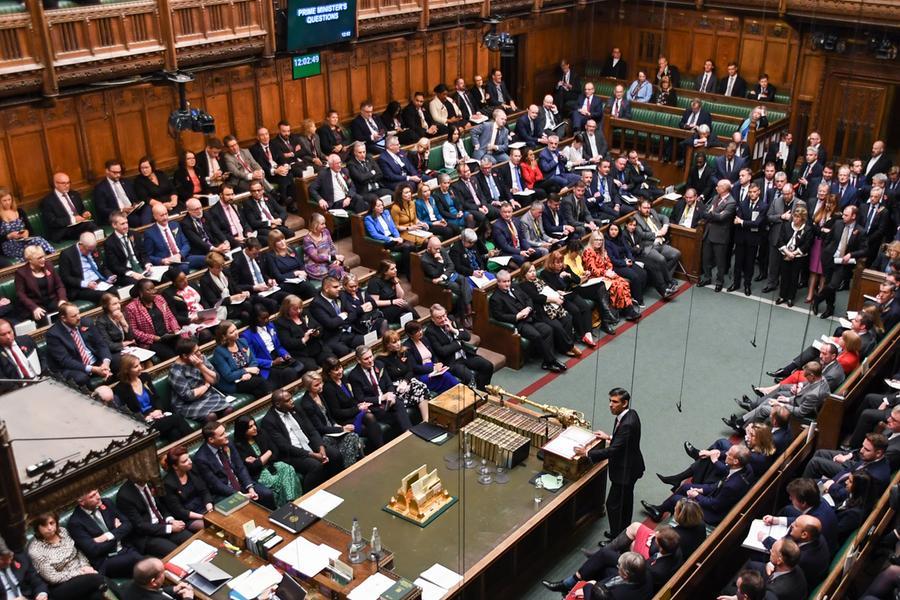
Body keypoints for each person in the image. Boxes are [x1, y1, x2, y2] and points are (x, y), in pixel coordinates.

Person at [573, 388, 645, 539]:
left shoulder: (627, 424)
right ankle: (624, 532)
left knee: (613, 505)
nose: (610, 405)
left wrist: (586, 453)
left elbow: (613, 451)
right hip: (632, 466)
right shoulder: (631, 414)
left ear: (624, 403)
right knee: (625, 502)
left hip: (625, 470)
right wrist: (610, 437)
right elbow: (625, 441)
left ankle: (616, 537)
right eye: (610, 401)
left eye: (615, 402)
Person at [642, 444, 753, 526]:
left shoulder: (732, 485)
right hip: (716, 495)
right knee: (686, 487)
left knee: (676, 499)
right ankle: (660, 510)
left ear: (735, 461)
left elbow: (715, 505)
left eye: (729, 454)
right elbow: (717, 486)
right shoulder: (744, 468)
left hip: (712, 514)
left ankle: (665, 510)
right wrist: (700, 490)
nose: (726, 454)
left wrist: (697, 495)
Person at [260, 389, 342, 490]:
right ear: (278, 404)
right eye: (287, 400)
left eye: (291, 398)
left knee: (335, 454)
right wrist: (312, 455)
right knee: (315, 465)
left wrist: (321, 448)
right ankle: (310, 495)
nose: (292, 401)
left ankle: (337, 486)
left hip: (309, 445)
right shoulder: (269, 421)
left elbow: (312, 430)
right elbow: (284, 447)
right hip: (292, 455)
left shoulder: (296, 409)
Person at [489, 269, 567, 373]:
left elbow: (528, 299)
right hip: (519, 324)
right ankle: (551, 361)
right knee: (536, 335)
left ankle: (547, 362)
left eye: (508, 281)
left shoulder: (515, 287)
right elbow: (499, 316)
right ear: (498, 282)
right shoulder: (495, 298)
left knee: (548, 329)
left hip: (531, 317)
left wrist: (528, 308)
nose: (507, 284)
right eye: (504, 282)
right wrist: (517, 316)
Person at [192, 420, 275, 508]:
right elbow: (216, 485)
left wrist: (250, 488)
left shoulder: (228, 443)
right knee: (243, 507)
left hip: (240, 484)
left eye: (225, 432)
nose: (226, 435)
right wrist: (239, 495)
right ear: (211, 439)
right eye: (222, 434)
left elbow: (240, 467)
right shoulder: (201, 459)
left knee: (267, 494)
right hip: (224, 493)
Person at [724, 361, 830, 430]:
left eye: (807, 376)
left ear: (812, 376)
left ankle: (742, 426)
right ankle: (741, 422)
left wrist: (781, 404)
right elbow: (806, 387)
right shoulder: (821, 378)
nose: (805, 378)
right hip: (798, 403)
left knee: (764, 409)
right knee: (769, 400)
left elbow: (800, 412)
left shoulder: (814, 394)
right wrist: (788, 399)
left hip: (801, 415)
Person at [27, 513, 108, 600]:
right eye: (44, 525)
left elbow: (78, 552)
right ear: (37, 528)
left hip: (84, 576)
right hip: (61, 586)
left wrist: (85, 566)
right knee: (98, 579)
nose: (50, 528)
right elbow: (53, 578)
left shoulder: (63, 532)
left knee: (96, 596)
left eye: (52, 523)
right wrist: (80, 572)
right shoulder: (35, 550)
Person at [65, 490, 142, 578]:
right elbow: (93, 550)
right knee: (140, 561)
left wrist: (106, 536)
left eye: (97, 492)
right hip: (106, 560)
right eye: (92, 496)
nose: (98, 497)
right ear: (81, 502)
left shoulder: (107, 503)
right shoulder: (75, 522)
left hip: (125, 548)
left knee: (140, 565)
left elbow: (127, 525)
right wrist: (117, 533)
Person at [117, 353, 192, 442]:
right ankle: (195, 440)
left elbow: (156, 397)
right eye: (136, 366)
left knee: (174, 433)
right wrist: (146, 417)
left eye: (140, 364)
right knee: (177, 418)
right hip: (144, 423)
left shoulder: (145, 377)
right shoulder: (121, 389)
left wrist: (159, 410)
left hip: (158, 416)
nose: (141, 367)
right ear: (126, 370)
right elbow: (126, 413)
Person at [114, 476, 191, 559]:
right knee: (176, 552)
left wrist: (170, 520)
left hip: (164, 524)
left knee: (191, 539)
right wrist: (169, 528)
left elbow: (160, 507)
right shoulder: (124, 496)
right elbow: (140, 526)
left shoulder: (150, 483)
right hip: (147, 536)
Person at [299, 371, 364, 468]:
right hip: (324, 436)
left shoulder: (320, 394)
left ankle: (351, 466)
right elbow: (320, 428)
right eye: (316, 385)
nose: (321, 386)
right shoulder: (307, 404)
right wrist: (342, 429)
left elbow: (330, 416)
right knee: (352, 437)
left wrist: (336, 424)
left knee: (353, 436)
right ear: (308, 388)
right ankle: (350, 468)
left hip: (333, 430)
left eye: (321, 383)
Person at [232, 416, 302, 507]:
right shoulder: (238, 446)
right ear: (242, 430)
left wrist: (260, 459)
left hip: (272, 465)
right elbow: (253, 467)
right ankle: (286, 506)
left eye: (254, 424)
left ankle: (292, 501)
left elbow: (275, 452)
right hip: (259, 474)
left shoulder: (261, 433)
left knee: (287, 468)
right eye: (250, 427)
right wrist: (267, 453)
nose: (255, 428)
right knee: (276, 481)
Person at [813, 205, 868, 319]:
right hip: (830, 259)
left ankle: (818, 298)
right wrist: (825, 251)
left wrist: (851, 254)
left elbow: (865, 249)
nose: (843, 216)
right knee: (828, 284)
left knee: (833, 285)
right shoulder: (838, 224)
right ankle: (829, 308)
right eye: (843, 214)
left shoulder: (861, 231)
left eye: (846, 215)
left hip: (843, 263)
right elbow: (828, 239)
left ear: (854, 216)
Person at [347, 345, 414, 437]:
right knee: (396, 418)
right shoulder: (354, 376)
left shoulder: (379, 364)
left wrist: (390, 394)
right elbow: (360, 398)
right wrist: (381, 398)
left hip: (388, 401)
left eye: (371, 357)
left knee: (399, 403)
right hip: (374, 407)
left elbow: (389, 384)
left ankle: (409, 433)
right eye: (366, 359)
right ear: (359, 360)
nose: (370, 360)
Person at [517, 261, 581, 357]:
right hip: (539, 311)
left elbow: (550, 288)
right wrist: (554, 299)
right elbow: (536, 297)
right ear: (524, 273)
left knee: (567, 318)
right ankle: (569, 346)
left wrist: (557, 293)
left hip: (551, 306)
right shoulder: (524, 285)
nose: (533, 273)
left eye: (534, 271)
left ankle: (564, 347)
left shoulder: (539, 280)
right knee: (557, 325)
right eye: (530, 272)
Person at [321, 355, 384, 451]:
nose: (340, 371)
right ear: (329, 372)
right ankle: (379, 450)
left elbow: (351, 398)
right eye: (336, 370)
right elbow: (337, 413)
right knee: (370, 424)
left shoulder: (343, 378)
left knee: (370, 416)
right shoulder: (328, 388)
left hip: (354, 412)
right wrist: (357, 409)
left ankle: (381, 449)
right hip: (345, 419)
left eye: (341, 367)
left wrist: (359, 405)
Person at [425, 303, 493, 389]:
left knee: (487, 366)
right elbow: (442, 351)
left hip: (465, 355)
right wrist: (458, 343)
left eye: (444, 315)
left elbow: (467, 337)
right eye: (439, 318)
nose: (443, 319)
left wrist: (453, 330)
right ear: (433, 319)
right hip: (452, 362)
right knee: (469, 377)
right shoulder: (430, 332)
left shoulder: (451, 319)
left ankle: (482, 391)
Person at [45, 303, 111, 388]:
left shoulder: (86, 322)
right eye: (74, 316)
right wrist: (93, 369)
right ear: (63, 318)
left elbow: (101, 344)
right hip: (75, 367)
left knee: (120, 361)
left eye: (78, 313)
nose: (79, 317)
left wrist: (106, 364)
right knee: (81, 378)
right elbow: (65, 360)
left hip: (95, 361)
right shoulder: (53, 334)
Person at [168, 336, 232, 421]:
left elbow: (215, 380)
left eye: (198, 349)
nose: (199, 353)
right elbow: (188, 396)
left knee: (229, 409)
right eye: (196, 352)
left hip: (207, 396)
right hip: (187, 404)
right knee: (211, 416)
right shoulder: (175, 371)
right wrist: (205, 386)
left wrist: (201, 366)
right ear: (184, 356)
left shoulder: (200, 358)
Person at [582, 231, 642, 320]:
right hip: (595, 278)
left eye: (601, 240)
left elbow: (609, 263)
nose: (599, 242)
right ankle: (628, 311)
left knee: (624, 283)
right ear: (592, 240)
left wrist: (609, 270)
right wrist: (605, 273)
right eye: (596, 240)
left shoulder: (602, 251)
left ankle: (629, 309)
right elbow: (592, 269)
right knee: (617, 285)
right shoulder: (588, 251)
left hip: (607, 274)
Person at [240, 305, 303, 387]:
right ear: (255, 318)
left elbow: (278, 346)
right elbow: (252, 359)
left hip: (279, 357)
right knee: (289, 373)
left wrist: (285, 354)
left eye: (267, 317)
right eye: (263, 318)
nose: (266, 320)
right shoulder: (247, 335)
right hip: (266, 364)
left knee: (301, 366)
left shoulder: (270, 326)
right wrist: (272, 363)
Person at [211, 320, 272, 399]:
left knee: (260, 391)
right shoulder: (219, 352)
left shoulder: (242, 342)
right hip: (235, 383)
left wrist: (249, 374)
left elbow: (253, 361)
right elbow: (229, 376)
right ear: (224, 336)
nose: (236, 332)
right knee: (261, 382)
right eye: (232, 332)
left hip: (249, 377)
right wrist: (246, 370)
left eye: (236, 329)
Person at [309, 276, 364, 357]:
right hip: (332, 337)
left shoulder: (341, 294)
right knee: (344, 351)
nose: (339, 289)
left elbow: (353, 313)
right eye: (335, 287)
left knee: (366, 341)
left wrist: (339, 320)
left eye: (339, 286)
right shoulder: (317, 304)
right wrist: (343, 315)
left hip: (347, 332)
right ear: (326, 289)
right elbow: (330, 324)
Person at [161, 445, 212, 532]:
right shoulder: (168, 483)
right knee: (210, 526)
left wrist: (209, 505)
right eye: (185, 461)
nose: (190, 462)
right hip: (189, 517)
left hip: (205, 508)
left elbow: (204, 490)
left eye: (189, 458)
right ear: (175, 466)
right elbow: (179, 511)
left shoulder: (192, 469)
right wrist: (202, 516)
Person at [699, 180, 738, 291]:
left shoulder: (731, 202)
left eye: (718, 186)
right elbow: (705, 212)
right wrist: (713, 214)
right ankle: (707, 277)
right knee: (706, 258)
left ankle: (719, 281)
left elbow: (721, 218)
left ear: (724, 188)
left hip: (720, 236)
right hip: (708, 233)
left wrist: (712, 213)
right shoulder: (716, 197)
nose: (716, 187)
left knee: (720, 261)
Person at [421, 235, 471, 321]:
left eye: (439, 248)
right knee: (459, 289)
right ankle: (464, 316)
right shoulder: (425, 260)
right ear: (429, 248)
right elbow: (435, 274)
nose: (438, 250)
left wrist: (443, 276)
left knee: (463, 279)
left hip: (447, 276)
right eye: (435, 249)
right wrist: (440, 262)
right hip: (441, 283)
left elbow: (451, 265)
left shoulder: (441, 249)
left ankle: (468, 306)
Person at [58, 231, 117, 305]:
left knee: (114, 292)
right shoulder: (67, 254)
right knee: (105, 297)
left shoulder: (93, 249)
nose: (90, 252)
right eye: (89, 250)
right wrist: (86, 284)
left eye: (92, 249)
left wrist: (109, 276)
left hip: (99, 282)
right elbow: (66, 277)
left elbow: (103, 267)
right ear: (81, 245)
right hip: (82, 288)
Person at [39, 172, 97, 243]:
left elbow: (82, 209)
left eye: (68, 183)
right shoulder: (48, 201)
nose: (67, 186)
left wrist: (84, 213)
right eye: (64, 183)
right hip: (64, 230)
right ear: (56, 184)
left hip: (80, 226)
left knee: (90, 227)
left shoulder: (74, 194)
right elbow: (52, 222)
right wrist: (73, 219)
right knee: (90, 227)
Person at [364, 197, 414, 278]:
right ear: (373, 208)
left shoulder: (386, 213)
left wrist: (398, 237)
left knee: (411, 245)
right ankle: (408, 273)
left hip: (395, 238)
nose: (381, 207)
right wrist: (392, 239)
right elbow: (374, 235)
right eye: (378, 206)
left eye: (382, 205)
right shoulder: (368, 219)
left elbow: (393, 227)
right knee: (407, 246)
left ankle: (406, 270)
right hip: (385, 241)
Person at [15, 245, 67, 323]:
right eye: (39, 258)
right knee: (43, 317)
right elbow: (21, 294)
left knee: (66, 311)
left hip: (52, 301)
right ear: (30, 260)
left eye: (43, 256)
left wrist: (62, 299)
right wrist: (34, 308)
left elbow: (59, 285)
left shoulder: (48, 265)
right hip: (35, 304)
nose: (43, 259)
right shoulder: (21, 273)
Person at [0, 189, 54, 262]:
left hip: (23, 240)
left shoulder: (19, 211)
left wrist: (26, 232)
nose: (7, 202)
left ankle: (52, 257)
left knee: (39, 240)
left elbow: (30, 229)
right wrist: (8, 236)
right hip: (9, 245)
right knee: (31, 249)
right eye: (4, 200)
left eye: (9, 199)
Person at [143, 204, 201, 272]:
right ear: (155, 216)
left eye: (166, 214)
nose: (165, 217)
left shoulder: (175, 225)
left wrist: (180, 255)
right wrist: (162, 260)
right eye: (162, 215)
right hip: (168, 264)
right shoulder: (150, 233)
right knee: (184, 268)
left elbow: (186, 243)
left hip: (182, 257)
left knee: (208, 260)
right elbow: (148, 256)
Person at [198, 250, 251, 324]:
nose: (221, 269)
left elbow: (234, 286)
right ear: (210, 267)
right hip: (221, 308)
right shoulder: (205, 280)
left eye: (221, 266)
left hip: (233, 304)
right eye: (218, 267)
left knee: (249, 305)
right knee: (247, 308)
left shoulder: (225, 271)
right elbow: (214, 301)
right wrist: (231, 298)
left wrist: (242, 293)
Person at [230, 237, 282, 312]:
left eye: (258, 253)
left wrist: (269, 280)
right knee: (273, 303)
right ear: (247, 249)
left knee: (286, 296)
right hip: (252, 294)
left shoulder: (258, 255)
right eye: (254, 253)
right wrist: (254, 287)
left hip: (266, 289)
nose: (257, 256)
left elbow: (263, 274)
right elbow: (236, 285)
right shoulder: (237, 262)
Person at [775, 206, 814, 306]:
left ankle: (790, 297)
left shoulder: (808, 229)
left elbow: (806, 245)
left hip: (798, 257)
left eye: (798, 217)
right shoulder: (786, 226)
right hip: (785, 254)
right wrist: (787, 252)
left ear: (803, 218)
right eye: (794, 216)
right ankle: (782, 296)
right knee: (784, 276)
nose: (795, 219)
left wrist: (793, 254)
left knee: (794, 277)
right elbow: (780, 240)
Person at [162, 270, 212, 344]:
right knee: (205, 334)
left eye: (185, 278)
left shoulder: (192, 284)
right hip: (189, 321)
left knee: (222, 327)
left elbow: (203, 300)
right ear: (174, 282)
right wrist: (190, 320)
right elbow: (174, 316)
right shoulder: (168, 293)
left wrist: (209, 312)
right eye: (181, 281)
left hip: (203, 315)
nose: (185, 281)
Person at [263, 230, 316, 300]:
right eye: (278, 241)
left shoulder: (291, 249)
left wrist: (302, 273)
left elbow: (301, 265)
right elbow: (279, 277)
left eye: (283, 239)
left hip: (300, 279)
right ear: (273, 244)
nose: (282, 242)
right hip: (285, 284)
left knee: (306, 285)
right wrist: (295, 273)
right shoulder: (270, 256)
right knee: (307, 286)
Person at [806, 192, 839, 303]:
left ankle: (819, 296)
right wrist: (822, 230)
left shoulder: (837, 216)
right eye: (827, 203)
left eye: (831, 203)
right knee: (813, 271)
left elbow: (833, 233)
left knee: (823, 273)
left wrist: (823, 231)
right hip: (817, 244)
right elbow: (813, 226)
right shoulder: (820, 212)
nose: (829, 205)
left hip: (827, 246)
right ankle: (810, 294)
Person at [105, 211, 152, 287]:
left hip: (142, 268)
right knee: (142, 284)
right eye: (122, 224)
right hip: (126, 273)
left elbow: (143, 253)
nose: (126, 226)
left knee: (165, 275)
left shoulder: (135, 234)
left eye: (126, 222)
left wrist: (147, 264)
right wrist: (132, 274)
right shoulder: (110, 243)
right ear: (114, 225)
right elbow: (115, 266)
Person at [95, 293, 134, 374]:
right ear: (106, 306)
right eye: (114, 304)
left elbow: (132, 338)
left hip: (128, 347)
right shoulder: (101, 322)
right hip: (114, 352)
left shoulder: (122, 314)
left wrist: (123, 322)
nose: (118, 306)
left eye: (118, 303)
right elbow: (108, 345)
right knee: (128, 362)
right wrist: (123, 344)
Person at [0, 534, 48, 600]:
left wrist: (41, 593)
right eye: (3, 559)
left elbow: (37, 582)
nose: (8, 562)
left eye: (9, 556)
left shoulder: (21, 558)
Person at [242, 181, 291, 245]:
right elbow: (253, 222)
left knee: (290, 233)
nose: (256, 193)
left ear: (263, 190)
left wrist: (279, 220)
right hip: (262, 228)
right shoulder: (248, 203)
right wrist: (270, 222)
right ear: (251, 192)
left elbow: (282, 211)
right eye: (253, 191)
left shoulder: (268, 197)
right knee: (274, 238)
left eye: (258, 190)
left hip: (276, 225)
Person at [367, 259, 414, 325]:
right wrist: (392, 302)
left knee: (406, 316)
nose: (396, 270)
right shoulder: (374, 282)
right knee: (404, 304)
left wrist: (396, 282)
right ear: (385, 272)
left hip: (394, 307)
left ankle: (415, 327)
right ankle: (420, 322)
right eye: (392, 269)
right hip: (382, 311)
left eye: (395, 268)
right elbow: (375, 302)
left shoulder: (391, 279)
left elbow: (400, 296)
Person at [302, 212, 345, 282]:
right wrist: (333, 257)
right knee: (337, 272)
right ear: (315, 225)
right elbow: (316, 257)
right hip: (316, 266)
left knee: (338, 268)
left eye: (325, 223)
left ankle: (340, 286)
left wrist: (336, 260)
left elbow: (332, 246)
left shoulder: (325, 232)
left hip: (328, 262)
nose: (325, 226)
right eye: (322, 224)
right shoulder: (307, 239)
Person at [0, 318, 40, 391]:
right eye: (3, 334)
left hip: (39, 380)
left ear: (13, 330)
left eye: (9, 332)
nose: (8, 337)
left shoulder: (26, 340)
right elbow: (3, 380)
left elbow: (42, 359)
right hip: (19, 390)